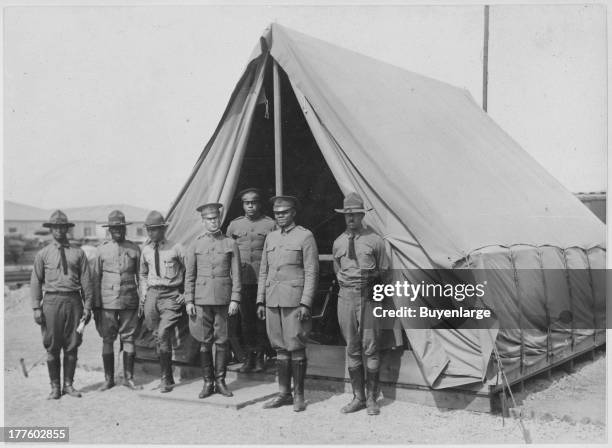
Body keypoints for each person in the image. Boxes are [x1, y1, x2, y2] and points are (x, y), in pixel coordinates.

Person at [257, 195, 319, 412]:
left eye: (284, 212)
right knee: (279, 347)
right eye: (276, 213)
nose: (280, 216)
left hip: (295, 301)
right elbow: (264, 270)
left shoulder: (305, 236)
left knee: (296, 346)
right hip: (273, 300)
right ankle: (283, 393)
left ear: (293, 213)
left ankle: (299, 395)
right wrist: (260, 300)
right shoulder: (271, 237)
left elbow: (312, 271)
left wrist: (306, 303)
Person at [332, 192, 389, 415]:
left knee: (371, 346)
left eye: (355, 214)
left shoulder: (375, 240)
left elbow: (385, 270)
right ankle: (359, 397)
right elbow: (337, 268)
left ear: (362, 214)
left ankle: (373, 398)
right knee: (352, 347)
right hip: (346, 297)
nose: (351, 219)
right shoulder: (338, 242)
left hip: (368, 295)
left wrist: (374, 293)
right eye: (347, 215)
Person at [30, 210, 93, 399]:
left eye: (62, 227)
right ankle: (55, 387)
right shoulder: (43, 254)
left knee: (72, 345)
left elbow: (87, 282)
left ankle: (68, 385)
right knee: (52, 346)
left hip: (74, 301)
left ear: (67, 229)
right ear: (51, 230)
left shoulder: (78, 253)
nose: (59, 230)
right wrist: (36, 307)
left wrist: (88, 306)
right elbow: (35, 281)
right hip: (51, 302)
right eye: (55, 227)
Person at [185, 203, 241, 398]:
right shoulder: (195, 244)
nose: (213, 222)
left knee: (223, 341)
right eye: (209, 219)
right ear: (203, 222)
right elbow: (189, 275)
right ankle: (208, 382)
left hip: (224, 299)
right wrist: (189, 300)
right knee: (204, 342)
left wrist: (235, 299)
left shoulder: (230, 243)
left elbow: (237, 275)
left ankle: (221, 381)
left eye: (216, 218)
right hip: (201, 300)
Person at [226, 188, 275, 373]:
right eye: (247, 203)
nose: (251, 206)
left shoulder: (270, 224)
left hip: (263, 280)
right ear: (243, 205)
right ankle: (249, 357)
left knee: (261, 319)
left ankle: (261, 356)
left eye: (254, 202)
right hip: (244, 280)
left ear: (259, 204)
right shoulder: (234, 226)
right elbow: (228, 253)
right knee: (245, 320)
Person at [92, 210, 142, 391]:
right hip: (107, 303)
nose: (117, 231)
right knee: (107, 339)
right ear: (109, 230)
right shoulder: (101, 250)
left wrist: (142, 299)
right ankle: (109, 379)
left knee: (129, 339)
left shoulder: (134, 249)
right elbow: (95, 279)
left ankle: (129, 378)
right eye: (114, 228)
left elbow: (141, 277)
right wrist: (96, 305)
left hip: (129, 300)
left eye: (120, 227)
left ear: (125, 228)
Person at [139, 210, 185, 393]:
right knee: (157, 334)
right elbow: (142, 274)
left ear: (163, 230)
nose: (152, 234)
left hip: (170, 295)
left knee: (163, 332)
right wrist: (144, 294)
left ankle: (165, 378)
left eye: (155, 230)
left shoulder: (176, 247)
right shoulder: (146, 250)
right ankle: (168, 374)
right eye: (149, 230)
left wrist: (186, 293)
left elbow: (191, 270)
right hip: (152, 295)